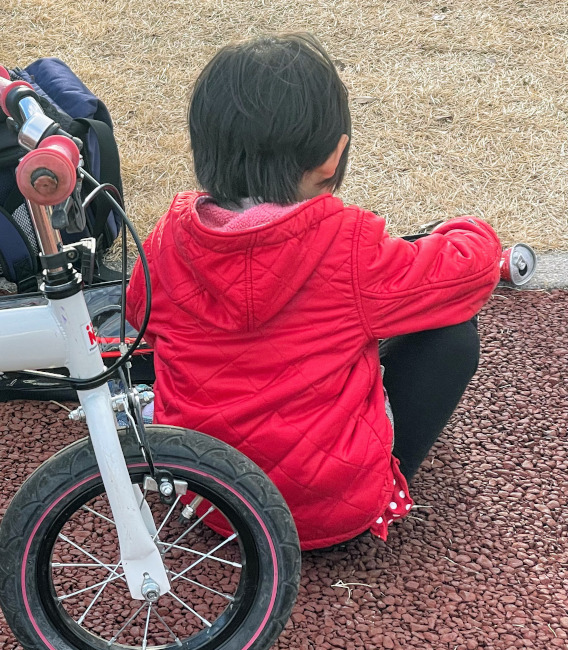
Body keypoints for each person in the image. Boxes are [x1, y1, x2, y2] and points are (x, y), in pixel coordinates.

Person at [124, 32, 501, 550]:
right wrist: (461, 229)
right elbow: (467, 273)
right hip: (330, 515)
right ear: (332, 157)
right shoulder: (351, 246)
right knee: (452, 329)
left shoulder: (168, 240)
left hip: (212, 498)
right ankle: (381, 487)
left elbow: (138, 308)